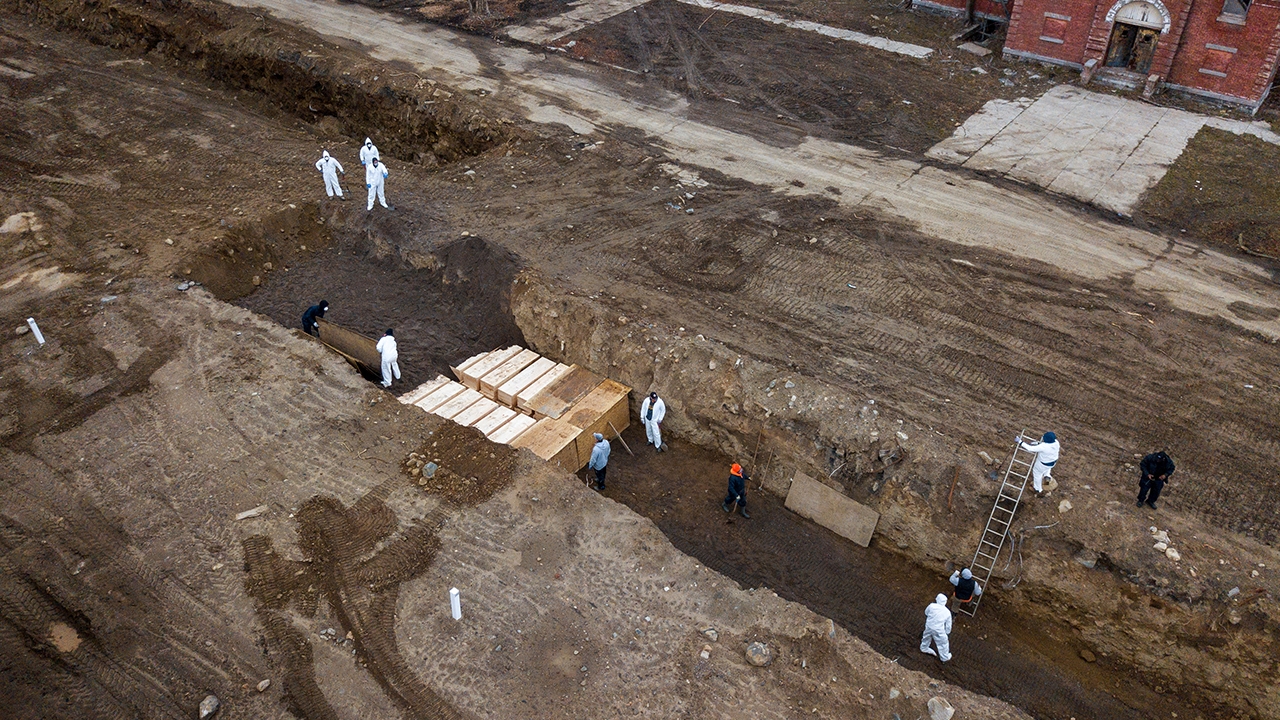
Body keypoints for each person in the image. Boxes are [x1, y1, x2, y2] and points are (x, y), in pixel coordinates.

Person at [919, 593, 953, 662]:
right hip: (939, 630)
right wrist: (947, 632)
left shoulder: (931, 606)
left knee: (926, 637)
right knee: (943, 643)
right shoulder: (947, 612)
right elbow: (948, 625)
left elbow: (926, 612)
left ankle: (924, 647)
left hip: (929, 626)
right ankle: (944, 657)